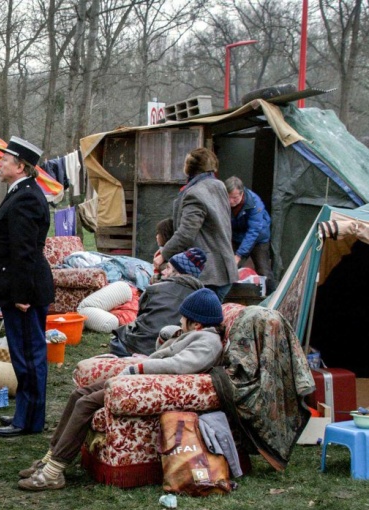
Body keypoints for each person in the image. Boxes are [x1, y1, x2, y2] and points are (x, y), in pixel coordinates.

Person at [18, 288, 225, 491]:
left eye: (184, 317)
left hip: (149, 387)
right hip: (144, 381)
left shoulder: (208, 342)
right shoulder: (195, 335)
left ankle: (54, 471)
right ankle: (50, 457)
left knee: (85, 403)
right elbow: (165, 354)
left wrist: (139, 369)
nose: (180, 320)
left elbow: (180, 365)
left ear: (196, 324)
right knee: (78, 394)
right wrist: (167, 337)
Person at [0, 136, 54, 438]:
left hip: (25, 291)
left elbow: (24, 251)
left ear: (20, 166)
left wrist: (21, 295)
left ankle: (30, 420)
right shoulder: (20, 192)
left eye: (4, 160)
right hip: (20, 287)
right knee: (22, 353)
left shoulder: (26, 197)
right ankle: (26, 412)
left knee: (28, 355)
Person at [153, 148, 236, 301]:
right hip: (224, 269)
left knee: (196, 315)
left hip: (208, 274)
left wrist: (164, 255)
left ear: (188, 168)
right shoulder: (219, 186)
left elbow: (186, 233)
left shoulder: (195, 193)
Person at [109, 247, 206, 357]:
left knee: (121, 335)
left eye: (168, 268)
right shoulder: (201, 299)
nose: (163, 271)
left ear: (179, 273)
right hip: (170, 352)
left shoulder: (155, 289)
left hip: (135, 347)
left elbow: (139, 314)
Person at [223, 176, 275, 292]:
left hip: (258, 238)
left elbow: (254, 230)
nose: (231, 201)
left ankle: (272, 295)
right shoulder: (221, 201)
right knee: (229, 268)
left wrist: (239, 255)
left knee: (263, 271)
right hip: (237, 236)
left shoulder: (254, 203)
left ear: (242, 193)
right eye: (228, 197)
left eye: (235, 198)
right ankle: (228, 296)